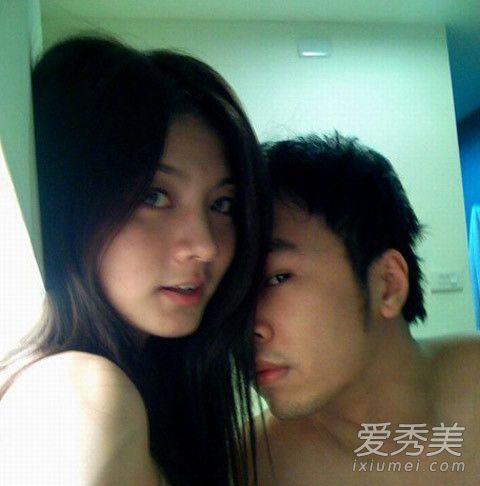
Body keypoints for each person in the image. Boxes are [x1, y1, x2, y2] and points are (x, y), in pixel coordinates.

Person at [0, 36, 271, 486]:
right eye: (155, 196)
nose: (205, 246)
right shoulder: (84, 397)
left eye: (221, 205)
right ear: (71, 203)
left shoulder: (152, 389)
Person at [252, 133, 480, 485]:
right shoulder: (248, 466)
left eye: (277, 277)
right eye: (230, 295)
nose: (244, 326)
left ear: (387, 285)